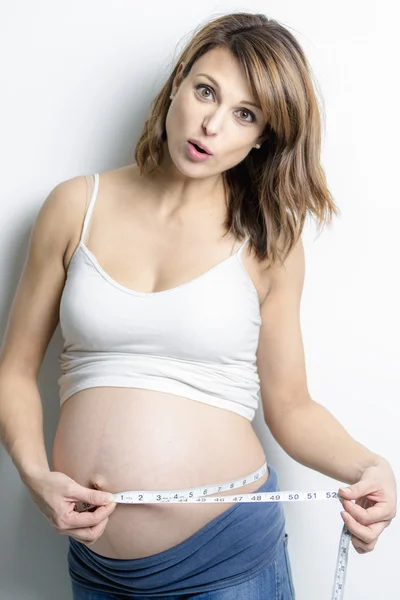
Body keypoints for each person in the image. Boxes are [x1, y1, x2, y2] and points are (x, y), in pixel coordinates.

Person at [0, 11, 396, 600]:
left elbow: (290, 406)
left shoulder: (269, 241)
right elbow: (13, 371)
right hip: (96, 562)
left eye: (245, 114)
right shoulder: (75, 206)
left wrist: (370, 467)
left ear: (263, 135)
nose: (210, 124)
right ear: (178, 83)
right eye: (205, 91)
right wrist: (35, 478)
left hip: (228, 561)